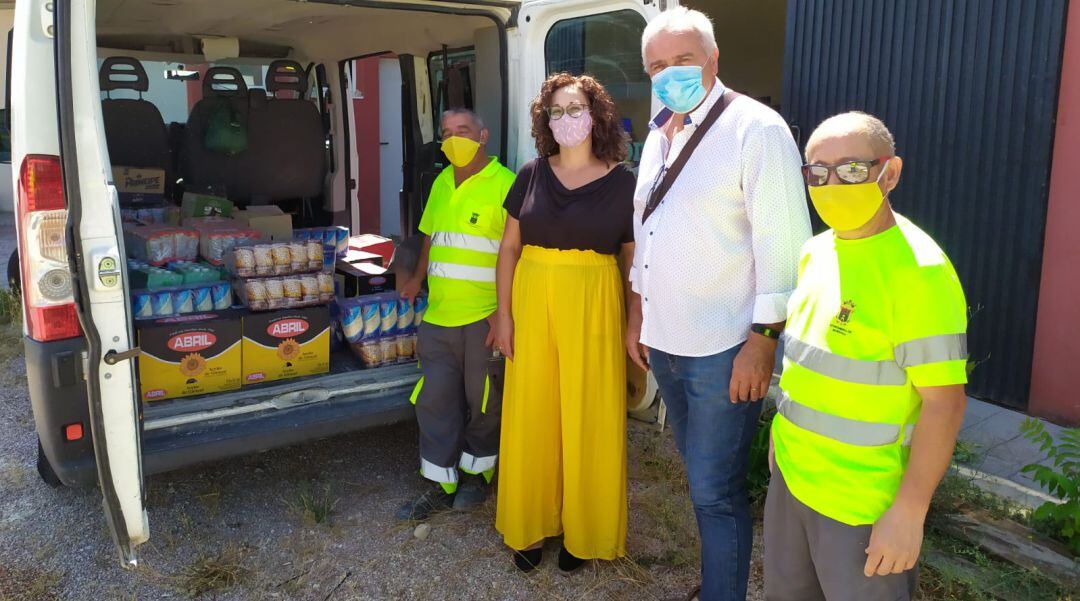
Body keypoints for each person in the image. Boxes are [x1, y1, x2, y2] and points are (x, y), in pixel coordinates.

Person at [630, 8, 812, 601]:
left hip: (724, 349)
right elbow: (648, 235)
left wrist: (763, 343)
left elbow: (784, 248)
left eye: (682, 60)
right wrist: (640, 318)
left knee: (715, 491)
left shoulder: (755, 129)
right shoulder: (658, 134)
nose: (669, 74)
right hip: (668, 342)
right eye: (657, 65)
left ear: (713, 59)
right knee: (699, 480)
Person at [765, 112, 968, 601]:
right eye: (817, 171)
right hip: (791, 484)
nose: (832, 183)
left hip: (861, 509)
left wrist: (909, 513)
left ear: (889, 173)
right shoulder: (815, 252)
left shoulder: (918, 271)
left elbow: (945, 403)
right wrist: (779, 443)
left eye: (852, 169)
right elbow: (806, 368)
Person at [492, 73, 636, 573]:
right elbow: (509, 249)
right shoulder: (530, 173)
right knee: (532, 413)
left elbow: (632, 263)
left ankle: (585, 532)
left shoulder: (624, 181)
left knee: (588, 416)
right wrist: (503, 316)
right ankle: (530, 526)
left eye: (576, 109)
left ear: (596, 117)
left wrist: (633, 325)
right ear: (544, 120)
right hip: (531, 305)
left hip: (594, 306)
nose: (566, 119)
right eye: (556, 111)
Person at [395, 108, 516, 521]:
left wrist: (504, 316)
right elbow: (431, 235)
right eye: (446, 133)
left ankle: (477, 476)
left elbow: (516, 256)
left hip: (482, 318)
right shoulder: (442, 182)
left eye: (462, 131)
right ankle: (440, 483)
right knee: (434, 400)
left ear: (483, 135)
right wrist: (415, 277)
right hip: (439, 317)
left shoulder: (507, 184)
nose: (453, 140)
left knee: (483, 402)